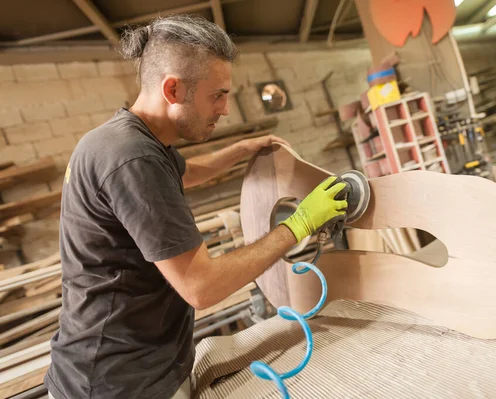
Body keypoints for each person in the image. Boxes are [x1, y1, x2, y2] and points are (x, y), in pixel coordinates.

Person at [44, 14, 348, 399]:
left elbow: (183, 173)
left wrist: (241, 151)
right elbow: (202, 287)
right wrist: (299, 223)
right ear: (173, 89)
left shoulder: (120, 140)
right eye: (217, 95)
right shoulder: (133, 159)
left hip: (112, 365)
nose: (224, 109)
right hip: (119, 384)